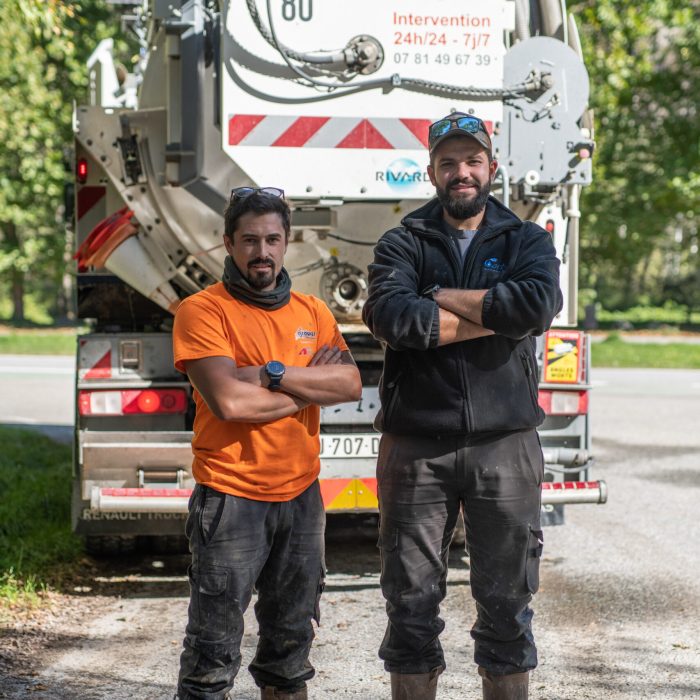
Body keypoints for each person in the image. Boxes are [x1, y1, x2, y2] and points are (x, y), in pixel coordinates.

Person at [362, 113, 563, 700]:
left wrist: (444, 299)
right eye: (448, 162)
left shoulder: (526, 239)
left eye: (472, 160)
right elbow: (393, 319)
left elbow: (536, 307)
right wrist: (497, 317)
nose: (461, 172)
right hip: (416, 448)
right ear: (431, 171)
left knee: (506, 600)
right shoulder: (401, 241)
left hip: (505, 447)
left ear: (491, 168)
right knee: (410, 601)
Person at [172, 187, 362, 700]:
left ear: (287, 242)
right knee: (211, 658)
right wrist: (305, 387)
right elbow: (229, 404)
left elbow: (349, 385)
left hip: (302, 499)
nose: (262, 251)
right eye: (250, 240)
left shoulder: (313, 311)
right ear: (228, 244)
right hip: (231, 498)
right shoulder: (202, 311)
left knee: (290, 653)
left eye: (272, 239)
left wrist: (272, 375)